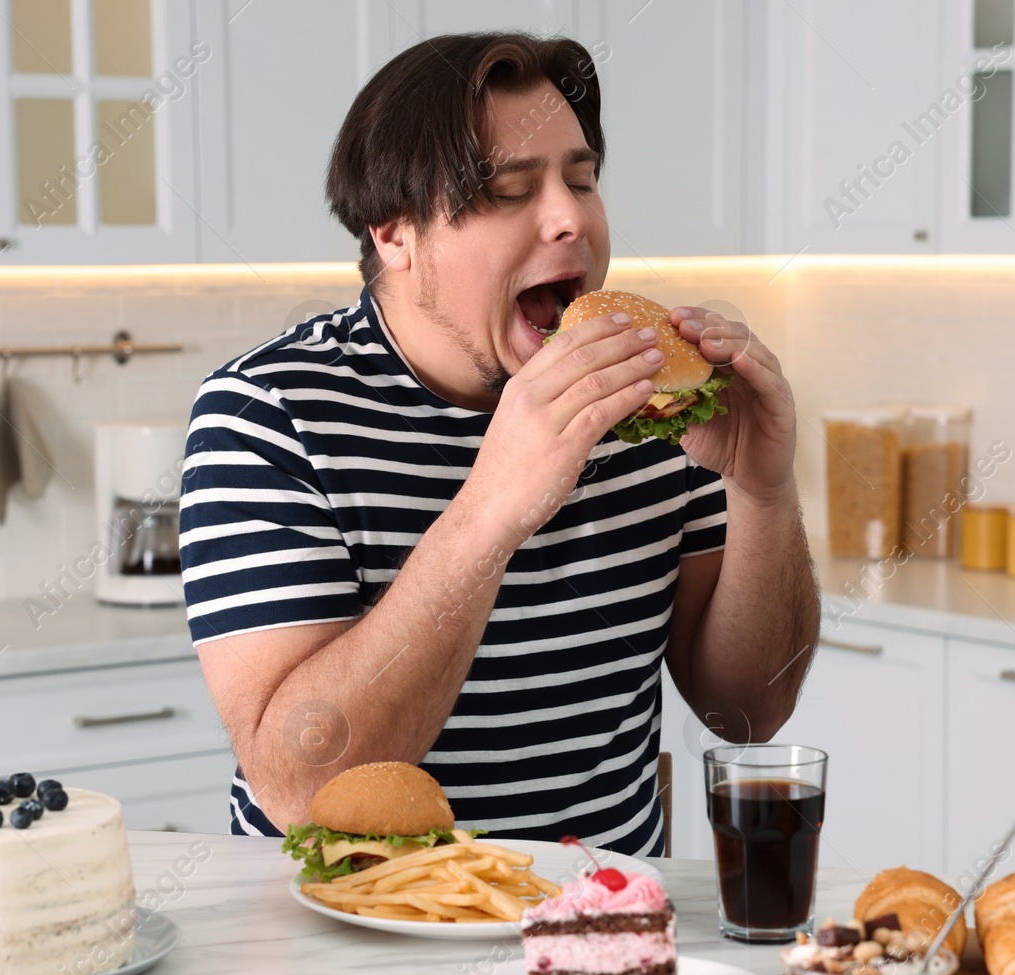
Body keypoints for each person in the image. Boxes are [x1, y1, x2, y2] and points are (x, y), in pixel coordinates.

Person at [180, 32, 819, 855]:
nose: (571, 219)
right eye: (511, 190)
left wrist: (762, 494)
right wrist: (491, 512)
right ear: (393, 232)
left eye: (582, 181)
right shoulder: (268, 414)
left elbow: (748, 712)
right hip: (348, 953)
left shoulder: (658, 404)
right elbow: (302, 786)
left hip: (601, 935)